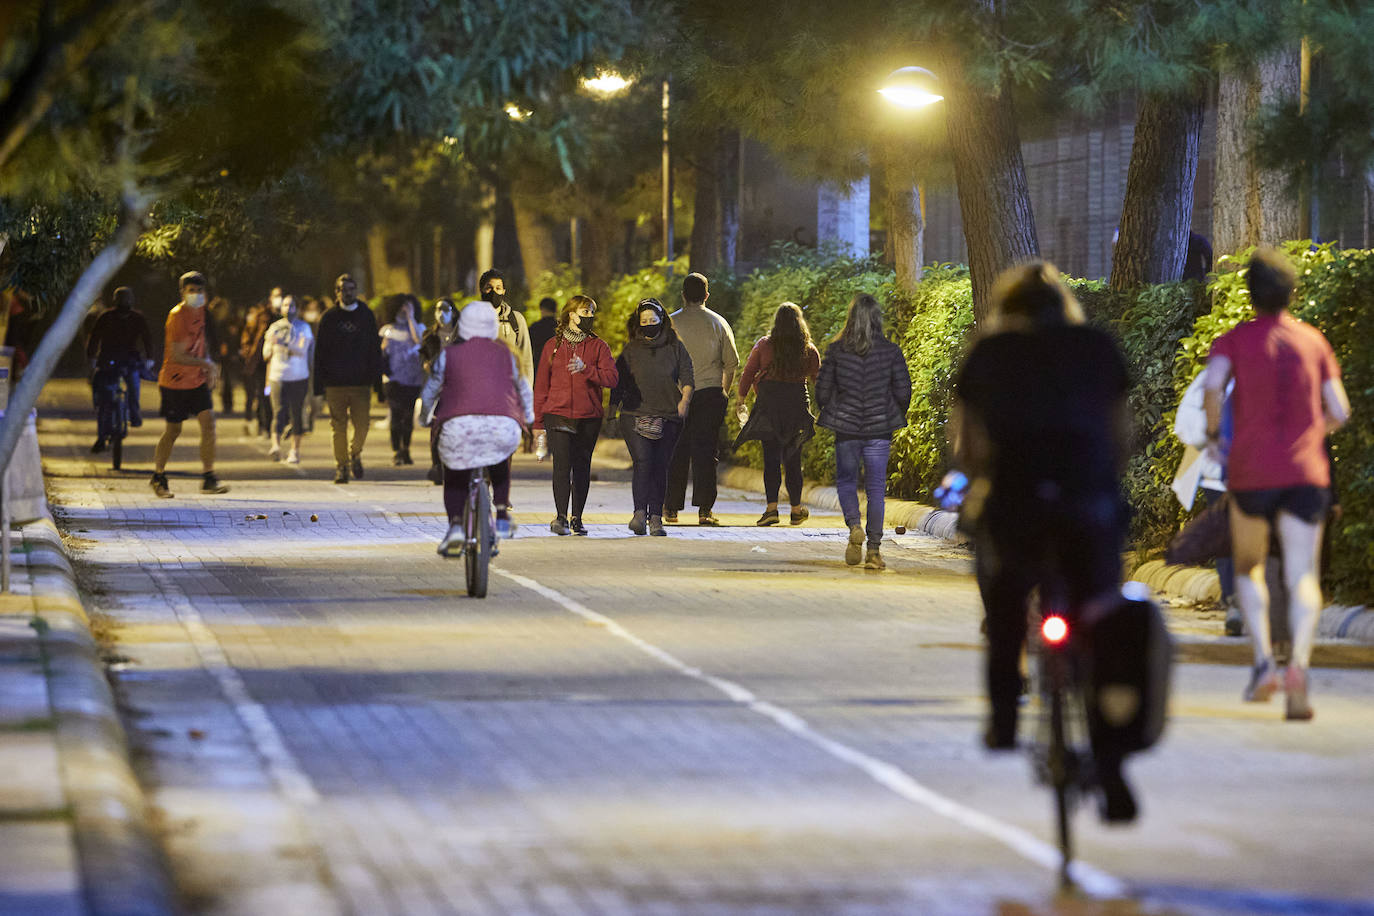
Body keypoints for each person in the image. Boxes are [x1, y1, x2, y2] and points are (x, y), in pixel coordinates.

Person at [952, 262, 1134, 820]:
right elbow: (1120, 435)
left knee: (1004, 603)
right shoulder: (1096, 347)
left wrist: (986, 482)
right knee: (1103, 617)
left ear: (1008, 308)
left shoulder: (990, 354)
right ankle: (1111, 763)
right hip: (1087, 506)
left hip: (1015, 506)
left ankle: (1005, 714)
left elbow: (968, 447)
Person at [1202, 248, 1350, 720]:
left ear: (1250, 294)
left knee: (1249, 569)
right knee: (1304, 575)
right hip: (1306, 474)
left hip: (1251, 471)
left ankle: (1265, 663)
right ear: (1292, 292)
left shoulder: (1232, 341)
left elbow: (1212, 387)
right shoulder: (1314, 342)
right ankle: (1299, 672)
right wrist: (1311, 433)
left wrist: (1212, 435)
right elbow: (1340, 411)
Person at [420, 301, 534, 553]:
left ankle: (457, 526)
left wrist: (423, 417)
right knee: (500, 460)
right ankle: (502, 514)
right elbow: (524, 388)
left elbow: (431, 391)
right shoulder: (508, 353)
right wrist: (529, 416)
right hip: (502, 424)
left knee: (455, 474)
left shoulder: (449, 354)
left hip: (458, 426)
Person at [815, 293, 913, 569]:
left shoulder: (836, 350)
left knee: (846, 481)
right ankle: (873, 551)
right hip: (879, 429)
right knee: (876, 490)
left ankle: (854, 525)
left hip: (845, 427)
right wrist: (891, 412)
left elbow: (822, 390)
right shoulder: (891, 351)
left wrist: (834, 408)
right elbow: (903, 390)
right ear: (877, 319)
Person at [532, 295, 618, 535]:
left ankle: (577, 517)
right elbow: (541, 386)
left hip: (588, 415)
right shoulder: (553, 345)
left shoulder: (599, 346)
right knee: (561, 465)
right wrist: (538, 422)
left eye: (592, 312)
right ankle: (560, 516)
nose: (589, 317)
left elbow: (612, 378)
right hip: (557, 413)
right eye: (584, 312)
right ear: (571, 314)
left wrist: (587, 370)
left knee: (582, 466)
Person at [610, 299, 693, 536]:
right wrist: (611, 410)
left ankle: (656, 517)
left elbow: (688, 374)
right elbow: (618, 382)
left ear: (662, 321)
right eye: (643, 321)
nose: (648, 325)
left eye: (652, 320)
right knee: (643, 462)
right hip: (635, 414)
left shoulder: (676, 346)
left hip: (669, 415)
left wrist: (684, 400)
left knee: (660, 465)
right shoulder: (630, 350)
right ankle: (639, 513)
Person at [735, 302, 820, 528]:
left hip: (769, 407)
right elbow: (818, 379)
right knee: (793, 459)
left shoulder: (764, 345)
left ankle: (771, 509)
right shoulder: (808, 349)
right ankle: (795, 510)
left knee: (771, 459)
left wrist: (741, 398)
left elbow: (749, 372)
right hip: (796, 408)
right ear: (799, 323)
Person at [665, 272, 739, 526]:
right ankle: (705, 511)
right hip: (709, 394)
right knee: (706, 453)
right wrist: (724, 392)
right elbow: (731, 364)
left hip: (676, 395)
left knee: (675, 450)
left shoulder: (670, 323)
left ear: (683, 295)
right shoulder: (719, 323)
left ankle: (671, 508)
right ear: (707, 295)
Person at [151, 271, 230, 497]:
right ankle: (158, 476)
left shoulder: (203, 313)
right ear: (182, 292)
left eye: (199, 291)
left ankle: (208, 477)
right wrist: (206, 364)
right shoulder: (177, 316)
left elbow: (205, 343)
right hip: (174, 380)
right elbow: (177, 355)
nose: (196, 295)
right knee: (173, 430)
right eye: (191, 291)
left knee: (209, 424)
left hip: (196, 381)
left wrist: (211, 368)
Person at [314, 274, 382, 484]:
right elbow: (320, 353)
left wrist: (378, 384)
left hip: (361, 383)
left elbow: (375, 350)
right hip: (335, 384)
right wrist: (318, 386)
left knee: (363, 425)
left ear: (356, 290)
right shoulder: (329, 318)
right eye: (343, 289)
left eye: (351, 288)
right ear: (337, 292)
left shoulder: (366, 315)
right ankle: (341, 466)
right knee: (339, 427)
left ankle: (355, 453)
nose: (347, 292)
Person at [85, 286, 152, 452]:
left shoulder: (136, 318)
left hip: (126, 361)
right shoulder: (106, 317)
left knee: (133, 386)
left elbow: (147, 338)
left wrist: (149, 358)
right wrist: (92, 358)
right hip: (109, 361)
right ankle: (102, 437)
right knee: (103, 400)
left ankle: (134, 415)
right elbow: (94, 338)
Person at [263, 294, 313, 465]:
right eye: (285, 305)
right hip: (278, 376)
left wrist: (282, 343)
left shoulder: (303, 327)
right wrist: (273, 345)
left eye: (291, 305)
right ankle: (275, 447)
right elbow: (266, 352)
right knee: (278, 411)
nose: (288, 308)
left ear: (297, 308)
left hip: (298, 376)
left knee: (296, 414)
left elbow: (301, 350)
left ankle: (294, 451)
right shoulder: (274, 327)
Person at [379, 294, 426, 466]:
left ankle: (406, 448)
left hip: (413, 379)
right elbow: (381, 355)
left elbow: (418, 340)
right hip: (392, 379)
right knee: (396, 415)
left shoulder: (419, 327)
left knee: (408, 417)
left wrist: (411, 317)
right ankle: (396, 450)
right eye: (400, 308)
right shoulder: (387, 330)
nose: (403, 311)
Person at [420, 298, 462, 484]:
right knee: (437, 428)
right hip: (437, 389)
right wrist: (425, 364)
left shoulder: (463, 334)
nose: (440, 313)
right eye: (437, 309)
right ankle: (437, 466)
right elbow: (422, 356)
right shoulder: (430, 336)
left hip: (459, 388)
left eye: (444, 309)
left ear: (453, 311)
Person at [479, 269, 534, 383]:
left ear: (503, 291)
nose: (494, 292)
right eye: (489, 288)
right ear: (482, 290)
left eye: (498, 288)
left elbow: (526, 359)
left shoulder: (515, 320)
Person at [240, 291, 277, 437]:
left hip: (273, 363)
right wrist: (248, 352)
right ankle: (264, 425)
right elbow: (247, 338)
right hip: (260, 364)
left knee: (267, 396)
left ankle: (268, 425)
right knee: (262, 395)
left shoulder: (279, 319)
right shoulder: (256, 319)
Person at [527, 296, 559, 386]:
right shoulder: (563, 328)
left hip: (539, 371)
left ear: (541, 309)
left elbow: (527, 350)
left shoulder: (535, 328)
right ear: (556, 310)